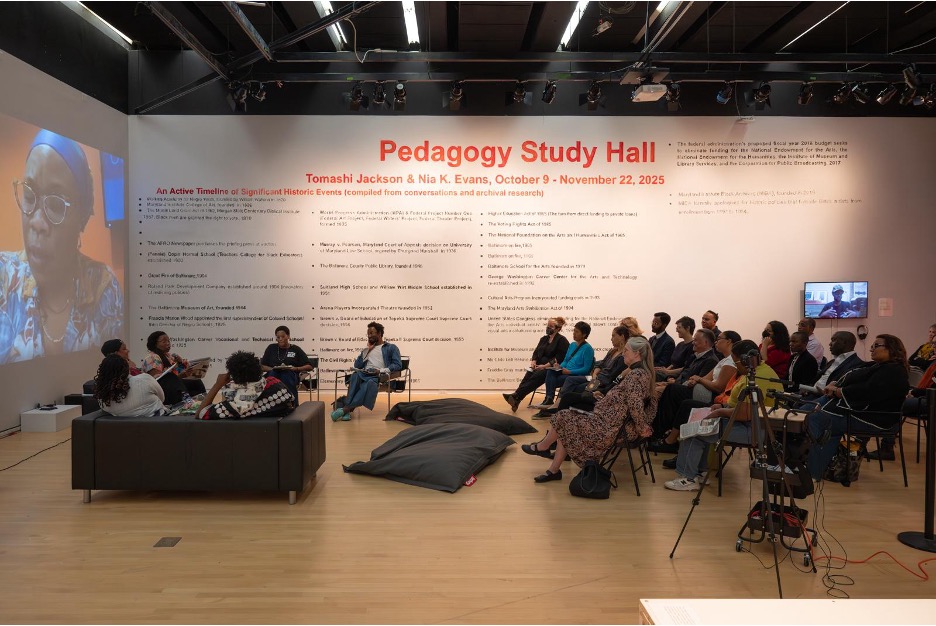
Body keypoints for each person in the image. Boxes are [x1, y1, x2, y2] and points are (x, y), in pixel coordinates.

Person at [0, 129, 122, 364]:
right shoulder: (4, 278)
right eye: (29, 195)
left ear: (81, 218)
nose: (37, 223)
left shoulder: (103, 288)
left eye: (56, 205)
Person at [521, 336, 658, 483]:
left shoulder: (637, 375)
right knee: (564, 418)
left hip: (609, 427)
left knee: (563, 417)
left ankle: (544, 450)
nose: (623, 353)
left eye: (626, 350)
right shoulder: (639, 373)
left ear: (637, 354)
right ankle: (551, 466)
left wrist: (641, 427)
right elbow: (629, 401)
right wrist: (605, 398)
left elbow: (635, 404)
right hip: (607, 421)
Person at [664, 340, 784, 491]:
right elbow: (741, 407)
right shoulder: (761, 370)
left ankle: (687, 478)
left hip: (753, 430)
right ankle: (699, 473)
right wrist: (722, 406)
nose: (736, 367)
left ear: (745, 360)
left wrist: (719, 412)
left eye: (736, 362)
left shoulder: (757, 378)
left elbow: (744, 414)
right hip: (749, 424)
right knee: (702, 426)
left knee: (694, 431)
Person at [806, 334, 910, 481]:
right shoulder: (880, 367)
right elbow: (855, 378)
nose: (871, 349)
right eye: (872, 346)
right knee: (813, 413)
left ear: (891, 349)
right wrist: (837, 384)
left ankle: (810, 472)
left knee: (816, 419)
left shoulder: (894, 371)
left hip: (875, 419)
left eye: (876, 346)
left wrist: (839, 391)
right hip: (864, 413)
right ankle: (811, 469)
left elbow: (866, 391)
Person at [651, 330, 742, 454]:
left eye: (719, 339)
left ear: (729, 341)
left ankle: (662, 435)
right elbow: (706, 378)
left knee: (673, 391)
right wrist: (696, 380)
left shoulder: (730, 362)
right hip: (703, 390)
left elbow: (718, 387)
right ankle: (662, 433)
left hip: (712, 396)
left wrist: (698, 380)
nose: (716, 341)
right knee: (671, 391)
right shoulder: (723, 360)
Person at [533, 325, 629, 418]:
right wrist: (560, 367)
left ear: (622, 337)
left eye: (613, 336)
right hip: (595, 379)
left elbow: (609, 375)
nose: (611, 339)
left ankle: (558, 409)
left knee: (574, 386)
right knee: (551, 373)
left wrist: (571, 372)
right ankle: (552, 402)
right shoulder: (612, 351)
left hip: (597, 381)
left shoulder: (622, 356)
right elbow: (600, 364)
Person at [332, 321, 403, 421]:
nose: (369, 336)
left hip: (377, 374)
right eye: (368, 334)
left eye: (371, 333)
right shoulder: (368, 349)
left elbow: (398, 364)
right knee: (354, 376)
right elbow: (357, 365)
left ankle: (345, 409)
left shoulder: (391, 348)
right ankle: (346, 410)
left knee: (370, 383)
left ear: (379, 333)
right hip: (364, 372)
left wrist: (381, 370)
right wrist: (367, 350)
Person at [196, 350, 294, 420]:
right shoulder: (275, 383)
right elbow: (292, 401)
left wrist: (217, 385)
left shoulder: (234, 405)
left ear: (234, 376)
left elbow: (201, 414)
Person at [502, 317, 569, 412]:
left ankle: (516, 396)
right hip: (538, 365)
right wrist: (533, 361)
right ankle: (516, 399)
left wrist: (544, 366)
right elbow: (536, 352)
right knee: (528, 374)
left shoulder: (562, 340)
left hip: (550, 369)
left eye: (551, 326)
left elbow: (559, 358)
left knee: (536, 377)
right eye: (547, 325)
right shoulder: (544, 339)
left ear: (558, 329)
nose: (548, 328)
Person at [534, 321, 595, 409]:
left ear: (584, 334)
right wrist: (559, 366)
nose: (574, 333)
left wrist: (570, 372)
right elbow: (566, 360)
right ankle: (549, 399)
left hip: (576, 375)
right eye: (574, 331)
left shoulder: (588, 349)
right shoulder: (572, 345)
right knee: (550, 371)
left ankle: (556, 403)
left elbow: (586, 369)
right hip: (565, 372)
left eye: (577, 332)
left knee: (555, 380)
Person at [142, 330, 205, 405]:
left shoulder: (168, 356)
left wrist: (181, 363)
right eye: (164, 341)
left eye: (168, 341)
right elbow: (159, 381)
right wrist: (181, 376)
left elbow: (177, 374)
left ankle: (202, 403)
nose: (168, 343)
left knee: (195, 380)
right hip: (160, 390)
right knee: (172, 377)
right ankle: (185, 405)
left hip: (173, 386)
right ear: (155, 344)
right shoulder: (152, 357)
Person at [93, 354, 166, 417]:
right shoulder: (145, 379)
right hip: (158, 423)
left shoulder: (102, 397)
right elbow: (162, 398)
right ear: (126, 367)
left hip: (123, 427)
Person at [797, 331, 864, 397]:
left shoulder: (857, 365)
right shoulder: (832, 361)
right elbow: (817, 380)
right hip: (811, 394)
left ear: (844, 343)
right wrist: (808, 389)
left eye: (833, 340)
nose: (830, 344)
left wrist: (824, 393)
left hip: (826, 399)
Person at [260, 325, 313, 402]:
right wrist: (274, 369)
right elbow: (262, 366)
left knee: (286, 375)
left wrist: (296, 368)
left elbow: (309, 366)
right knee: (273, 375)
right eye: (278, 337)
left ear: (288, 336)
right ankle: (272, 404)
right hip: (273, 373)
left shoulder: (295, 349)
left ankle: (292, 403)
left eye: (282, 336)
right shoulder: (271, 348)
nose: (280, 339)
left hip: (290, 374)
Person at [656, 316, 695, 380]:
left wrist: (667, 372)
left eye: (679, 327)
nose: (676, 330)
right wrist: (663, 370)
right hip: (670, 374)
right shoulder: (680, 344)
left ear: (688, 328)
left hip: (679, 377)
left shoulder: (693, 346)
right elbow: (673, 364)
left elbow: (686, 368)